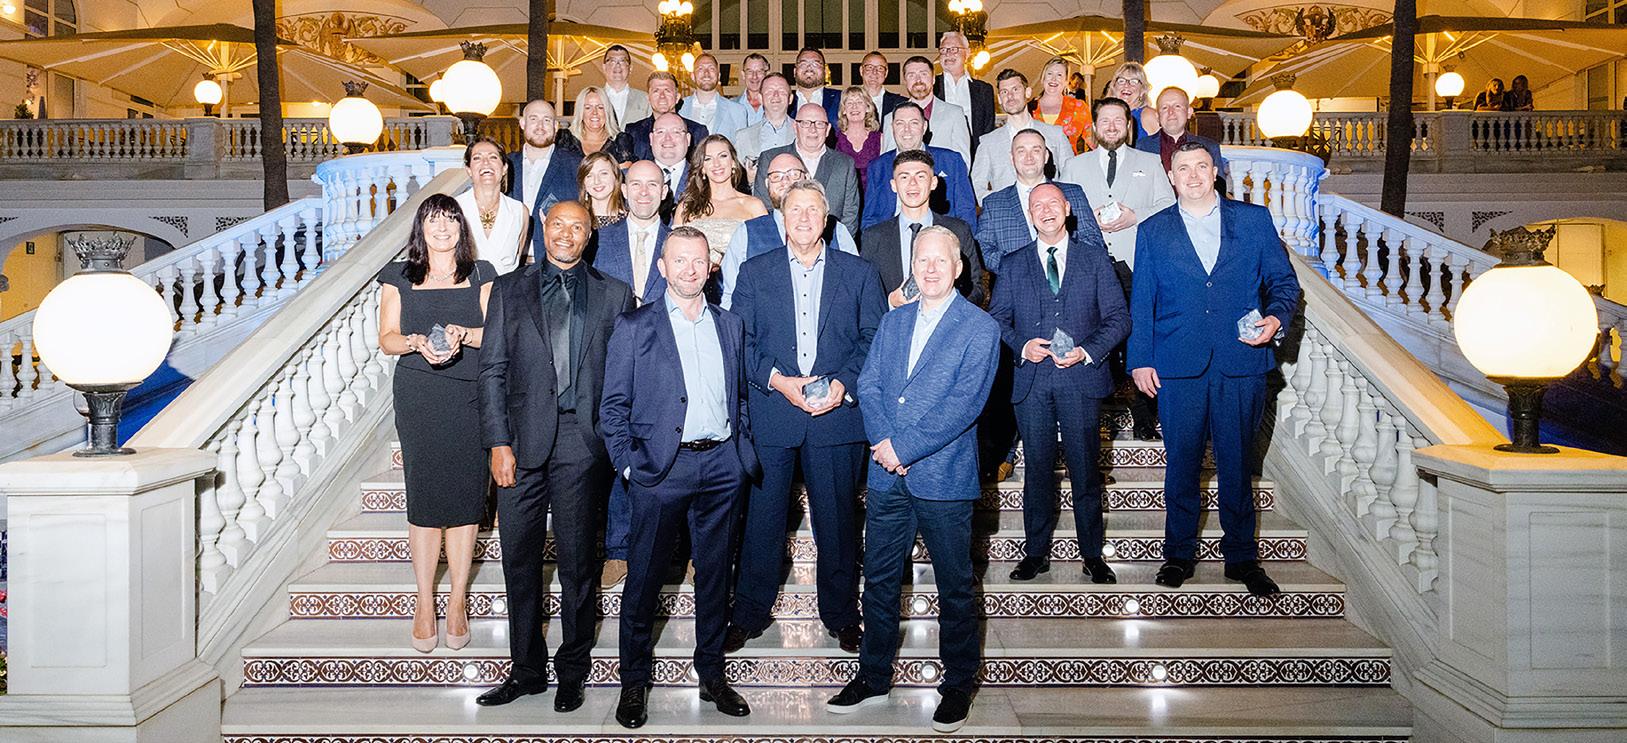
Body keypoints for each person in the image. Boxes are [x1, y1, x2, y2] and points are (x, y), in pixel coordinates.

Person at [827, 226, 1000, 734]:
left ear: (959, 268)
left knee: (954, 586)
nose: (930, 268)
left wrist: (903, 448)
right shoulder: (894, 320)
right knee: (880, 580)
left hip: (943, 477)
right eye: (922, 260)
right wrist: (885, 443)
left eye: (940, 260)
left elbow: (964, 404)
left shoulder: (980, 328)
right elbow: (870, 384)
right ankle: (873, 675)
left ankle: (958, 683)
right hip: (887, 476)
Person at [474, 200, 634, 710]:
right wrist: (498, 443)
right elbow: (492, 370)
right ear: (544, 229)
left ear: (590, 236)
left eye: (577, 227)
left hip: (582, 445)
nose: (566, 234)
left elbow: (624, 376)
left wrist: (615, 441)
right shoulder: (508, 289)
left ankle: (572, 670)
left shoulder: (615, 294)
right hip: (519, 445)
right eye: (558, 224)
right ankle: (525, 670)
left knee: (578, 565)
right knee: (519, 561)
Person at [601, 226, 760, 729]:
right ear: (662, 267)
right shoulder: (634, 326)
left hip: (722, 468)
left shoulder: (730, 324)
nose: (690, 269)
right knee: (644, 580)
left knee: (715, 578)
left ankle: (711, 673)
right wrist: (630, 464)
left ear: (710, 268)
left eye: (698, 261)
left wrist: (739, 453)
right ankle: (633, 682)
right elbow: (612, 407)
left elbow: (739, 395)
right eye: (679, 260)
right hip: (659, 471)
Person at [1129, 141, 1301, 597]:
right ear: (1171, 177)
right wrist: (1140, 359)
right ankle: (1178, 555)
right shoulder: (1152, 230)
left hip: (1240, 361)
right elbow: (1142, 300)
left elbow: (1284, 283)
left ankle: (1242, 559)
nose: (1192, 175)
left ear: (1215, 172)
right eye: (1182, 168)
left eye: (1200, 166)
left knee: (1237, 463)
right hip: (1177, 365)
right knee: (1181, 465)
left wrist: (1276, 319)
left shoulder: (1254, 220)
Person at [726, 179, 886, 656]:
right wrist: (778, 381)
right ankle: (748, 612)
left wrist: (843, 384)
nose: (802, 218)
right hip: (773, 414)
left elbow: (874, 337)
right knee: (762, 521)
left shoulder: (859, 273)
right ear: (781, 218)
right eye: (794, 209)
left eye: (812, 210)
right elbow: (740, 341)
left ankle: (842, 616)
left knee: (837, 522)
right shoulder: (755, 272)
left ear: (826, 219)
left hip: (836, 418)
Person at [989, 183, 1129, 584]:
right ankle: (1035, 554)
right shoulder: (1013, 264)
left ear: (1068, 209)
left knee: (1085, 470)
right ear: (1029, 214)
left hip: (1080, 379)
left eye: (1053, 203)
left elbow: (1119, 318)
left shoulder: (1094, 258)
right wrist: (1022, 345)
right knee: (1037, 471)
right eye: (1037, 205)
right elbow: (996, 319)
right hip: (1032, 382)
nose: (1046, 210)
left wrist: (1086, 351)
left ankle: (1093, 555)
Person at [375, 194, 494, 654]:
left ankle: (458, 600)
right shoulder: (399, 275)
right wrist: (415, 341)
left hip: (470, 395)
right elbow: (386, 338)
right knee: (424, 501)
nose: (441, 228)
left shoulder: (481, 274)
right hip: (419, 395)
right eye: (432, 220)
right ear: (420, 229)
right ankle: (425, 601)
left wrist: (465, 334)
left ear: (461, 228)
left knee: (465, 501)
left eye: (449, 220)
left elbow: (495, 332)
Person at [1059, 96, 1175, 441]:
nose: (1111, 127)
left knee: (1139, 337)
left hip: (1135, 264)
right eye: (1104, 121)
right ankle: (1098, 415)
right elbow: (1061, 211)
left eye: (1118, 121)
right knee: (1094, 337)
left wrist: (1136, 216)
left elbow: (1169, 206)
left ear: (1128, 126)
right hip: (1090, 266)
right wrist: (1086, 220)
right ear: (1095, 127)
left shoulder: (1150, 163)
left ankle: (1144, 417)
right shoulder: (1075, 165)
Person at [589, 161, 671, 588]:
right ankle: (618, 549)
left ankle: (677, 550)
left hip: (665, 367)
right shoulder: (599, 240)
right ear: (623, 189)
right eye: (635, 184)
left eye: (652, 184)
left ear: (665, 190)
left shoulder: (680, 241)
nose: (643, 192)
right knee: (616, 451)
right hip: (610, 363)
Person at [719, 152, 860, 308]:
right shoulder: (746, 233)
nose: (785, 181)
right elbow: (729, 296)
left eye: (794, 174)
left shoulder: (837, 231)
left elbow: (855, 287)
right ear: (767, 184)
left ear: (807, 178)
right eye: (776, 176)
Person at [859, 149, 985, 308]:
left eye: (920, 176)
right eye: (904, 177)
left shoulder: (958, 231)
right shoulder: (873, 236)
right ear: (893, 185)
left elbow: (976, 289)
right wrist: (890, 302)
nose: (913, 183)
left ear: (933, 183)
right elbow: (865, 295)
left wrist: (946, 310)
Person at [975, 128, 1098, 275]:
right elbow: (984, 250)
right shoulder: (993, 204)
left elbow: (1093, 240)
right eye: (1021, 151)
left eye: (1036, 150)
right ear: (1012, 158)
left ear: (1046, 156)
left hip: (1072, 280)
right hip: (1016, 284)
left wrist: (1061, 264)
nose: (1029, 157)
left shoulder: (1073, 194)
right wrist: (1019, 270)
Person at [862, 102, 977, 230]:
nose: (907, 130)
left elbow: (966, 211)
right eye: (900, 123)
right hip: (891, 237)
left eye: (914, 123)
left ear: (924, 126)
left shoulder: (951, 161)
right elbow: (869, 218)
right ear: (892, 127)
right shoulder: (878, 167)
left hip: (940, 236)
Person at [752, 103, 862, 236]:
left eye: (819, 124)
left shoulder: (844, 164)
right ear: (795, 127)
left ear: (827, 129)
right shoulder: (771, 159)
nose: (813, 129)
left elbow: (850, 216)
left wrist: (834, 246)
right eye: (805, 123)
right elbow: (763, 209)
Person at [970, 68, 1072, 204]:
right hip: (1007, 214)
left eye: (1015, 89)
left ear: (1027, 92)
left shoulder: (1055, 135)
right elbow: (977, 184)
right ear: (999, 99)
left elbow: (1071, 176)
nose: (1010, 96)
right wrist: (997, 208)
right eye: (1004, 92)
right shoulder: (988, 142)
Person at [674, 134, 769, 270]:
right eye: (708, 159)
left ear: (733, 162)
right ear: (702, 168)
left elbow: (766, 256)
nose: (716, 164)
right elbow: (675, 253)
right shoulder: (686, 206)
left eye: (722, 156)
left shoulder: (754, 206)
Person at [508, 100, 584, 259]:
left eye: (547, 120)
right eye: (533, 119)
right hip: (509, 263)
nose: (540, 126)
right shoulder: (505, 165)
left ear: (556, 126)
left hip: (554, 263)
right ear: (522, 123)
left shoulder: (576, 165)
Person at [456, 137, 529, 274]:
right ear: (469, 169)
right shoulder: (454, 208)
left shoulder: (519, 211)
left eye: (493, 157)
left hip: (505, 286)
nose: (486, 163)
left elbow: (518, 256)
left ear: (504, 168)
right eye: (477, 158)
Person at [881, 55, 972, 162]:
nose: (918, 80)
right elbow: (888, 161)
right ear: (905, 80)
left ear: (933, 79)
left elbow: (963, 161)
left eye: (923, 74)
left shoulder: (955, 114)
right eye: (911, 75)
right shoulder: (890, 118)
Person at [1135, 86, 1224, 175]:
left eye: (1177, 106)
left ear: (1189, 112)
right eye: (1164, 108)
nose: (1171, 112)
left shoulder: (1210, 147)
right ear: (1157, 116)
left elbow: (1219, 182)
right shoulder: (1141, 147)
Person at [934, 31, 995, 155]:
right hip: (939, 155)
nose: (948, 54)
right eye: (944, 50)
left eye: (954, 49)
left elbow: (988, 131)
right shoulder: (931, 87)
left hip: (974, 157)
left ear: (967, 53)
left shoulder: (984, 90)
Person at [626, 72, 709, 163]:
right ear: (648, 98)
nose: (662, 96)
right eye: (656, 91)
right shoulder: (633, 132)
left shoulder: (697, 132)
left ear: (677, 97)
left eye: (667, 91)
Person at [681, 53, 750, 148]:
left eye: (711, 68)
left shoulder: (737, 111)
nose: (706, 73)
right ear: (692, 76)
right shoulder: (679, 108)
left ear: (719, 76)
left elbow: (742, 149)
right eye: (700, 69)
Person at [1029, 57, 1094, 154]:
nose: (1054, 79)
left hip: (1069, 162)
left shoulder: (1078, 107)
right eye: (1049, 74)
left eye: (1059, 75)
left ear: (1066, 81)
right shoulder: (1028, 109)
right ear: (1043, 78)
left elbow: (1094, 141)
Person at [734, 72, 797, 170]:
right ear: (760, 98)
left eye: (781, 91)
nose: (776, 95)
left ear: (790, 99)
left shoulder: (804, 132)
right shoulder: (742, 137)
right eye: (769, 91)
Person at [560, 86, 634, 163]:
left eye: (600, 107)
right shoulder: (566, 140)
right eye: (588, 108)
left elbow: (625, 168)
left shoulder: (621, 142)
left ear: (607, 112)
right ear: (580, 112)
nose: (594, 112)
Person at [835, 86, 883, 190]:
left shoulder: (880, 139)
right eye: (849, 103)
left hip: (874, 195)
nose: (854, 107)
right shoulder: (835, 140)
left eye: (859, 102)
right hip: (845, 195)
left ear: (867, 108)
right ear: (844, 110)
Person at [649, 112, 695, 215]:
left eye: (676, 132)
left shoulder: (703, 178)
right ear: (651, 139)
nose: (668, 138)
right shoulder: (628, 178)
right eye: (660, 132)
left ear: (688, 139)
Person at [1107, 62, 1160, 142]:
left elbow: (1165, 146)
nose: (1126, 85)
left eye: (1134, 81)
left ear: (1142, 90)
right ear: (1114, 87)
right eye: (1121, 81)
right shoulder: (1107, 117)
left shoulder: (1148, 115)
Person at [790, 46, 844, 124]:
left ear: (825, 71)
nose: (809, 68)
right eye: (803, 64)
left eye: (815, 64)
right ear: (795, 71)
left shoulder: (841, 99)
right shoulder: (783, 101)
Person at [600, 45, 651, 126]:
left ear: (630, 68)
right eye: (612, 61)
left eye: (622, 61)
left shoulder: (646, 99)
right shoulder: (593, 98)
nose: (617, 65)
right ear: (604, 67)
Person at [578, 150, 627, 228]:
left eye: (603, 173)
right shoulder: (576, 220)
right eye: (589, 176)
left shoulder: (632, 221)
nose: (597, 181)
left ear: (616, 177)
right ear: (583, 183)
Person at [860, 50, 908, 119]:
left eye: (880, 68)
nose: (874, 72)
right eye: (869, 67)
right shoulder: (847, 101)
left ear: (886, 73)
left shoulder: (900, 103)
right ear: (861, 70)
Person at [734, 52, 771, 126]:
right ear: (743, 75)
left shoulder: (777, 104)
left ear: (767, 74)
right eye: (750, 71)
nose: (754, 76)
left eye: (759, 71)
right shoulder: (731, 106)